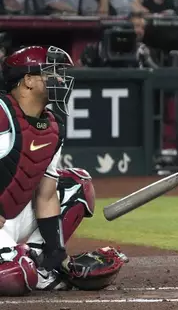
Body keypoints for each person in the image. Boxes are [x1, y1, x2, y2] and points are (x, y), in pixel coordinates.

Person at [0, 46, 127, 295]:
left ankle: (40, 266)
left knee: (76, 185)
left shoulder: (52, 127)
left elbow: (46, 196)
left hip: (12, 216)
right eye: (51, 73)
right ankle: (23, 266)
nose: (61, 79)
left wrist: (56, 251)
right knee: (14, 278)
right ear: (27, 81)